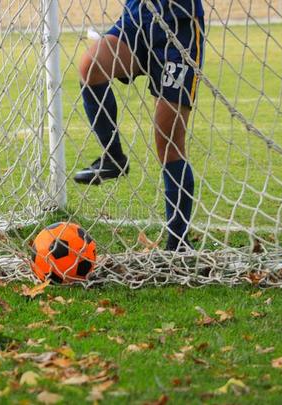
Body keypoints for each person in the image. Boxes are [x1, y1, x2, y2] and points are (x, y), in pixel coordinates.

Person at [74, 0, 204, 251]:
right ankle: (113, 158)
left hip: (179, 26)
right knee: (91, 66)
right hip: (138, 19)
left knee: (167, 139)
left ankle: (177, 244)